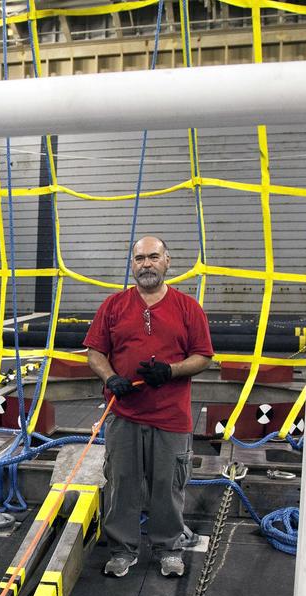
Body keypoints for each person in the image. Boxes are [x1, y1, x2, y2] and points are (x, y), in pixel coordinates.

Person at [83, 236, 214, 578]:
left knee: (168, 486)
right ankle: (122, 550)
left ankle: (168, 547)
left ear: (167, 262)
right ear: (133, 264)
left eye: (153, 257)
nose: (146, 264)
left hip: (171, 417)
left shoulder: (188, 309)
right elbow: (95, 352)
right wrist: (111, 378)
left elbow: (203, 357)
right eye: (139, 258)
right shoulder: (113, 306)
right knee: (121, 483)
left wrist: (170, 371)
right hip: (125, 414)